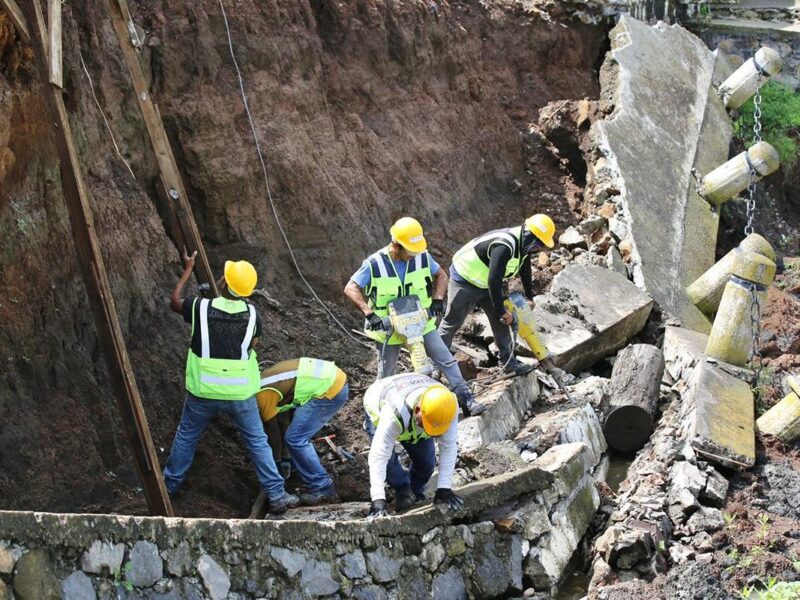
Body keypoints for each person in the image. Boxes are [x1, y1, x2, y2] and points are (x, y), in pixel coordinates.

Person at [163, 250, 298, 514]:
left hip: (203, 390)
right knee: (257, 441)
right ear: (249, 291)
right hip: (239, 393)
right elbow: (253, 344)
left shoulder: (200, 308)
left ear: (223, 281)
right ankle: (277, 494)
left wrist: (188, 270)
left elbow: (175, 301)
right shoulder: (252, 316)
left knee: (187, 435)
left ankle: (169, 485)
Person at [344, 217, 485, 417]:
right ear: (396, 245)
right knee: (386, 375)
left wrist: (437, 299)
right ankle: (380, 416)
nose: (413, 256)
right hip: (389, 328)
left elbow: (442, 276)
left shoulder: (421, 257)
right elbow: (351, 288)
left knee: (445, 358)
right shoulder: (375, 263)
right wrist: (369, 313)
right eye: (409, 251)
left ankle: (466, 399)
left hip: (421, 320)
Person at [439, 214, 557, 376]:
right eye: (539, 244)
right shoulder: (504, 246)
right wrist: (502, 310)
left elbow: (525, 268)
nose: (539, 248)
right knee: (453, 321)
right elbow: (494, 280)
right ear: (530, 235)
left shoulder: (525, 245)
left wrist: (529, 296)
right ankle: (436, 361)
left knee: (501, 322)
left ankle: (508, 362)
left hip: (486, 282)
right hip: (466, 278)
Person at [363, 373, 464, 517]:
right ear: (418, 411)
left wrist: (444, 489)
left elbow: (449, 446)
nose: (430, 433)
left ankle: (413, 492)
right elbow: (378, 456)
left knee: (427, 465)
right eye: (426, 426)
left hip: (414, 411)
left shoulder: (447, 408)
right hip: (379, 402)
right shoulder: (394, 413)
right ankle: (402, 487)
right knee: (388, 466)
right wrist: (378, 500)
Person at [255, 358, 349, 506]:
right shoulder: (263, 381)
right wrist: (285, 457)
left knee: (295, 439)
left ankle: (323, 488)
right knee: (294, 436)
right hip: (331, 379)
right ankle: (299, 472)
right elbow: (284, 420)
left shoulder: (261, 395)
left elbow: (272, 431)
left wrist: (277, 461)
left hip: (329, 389)